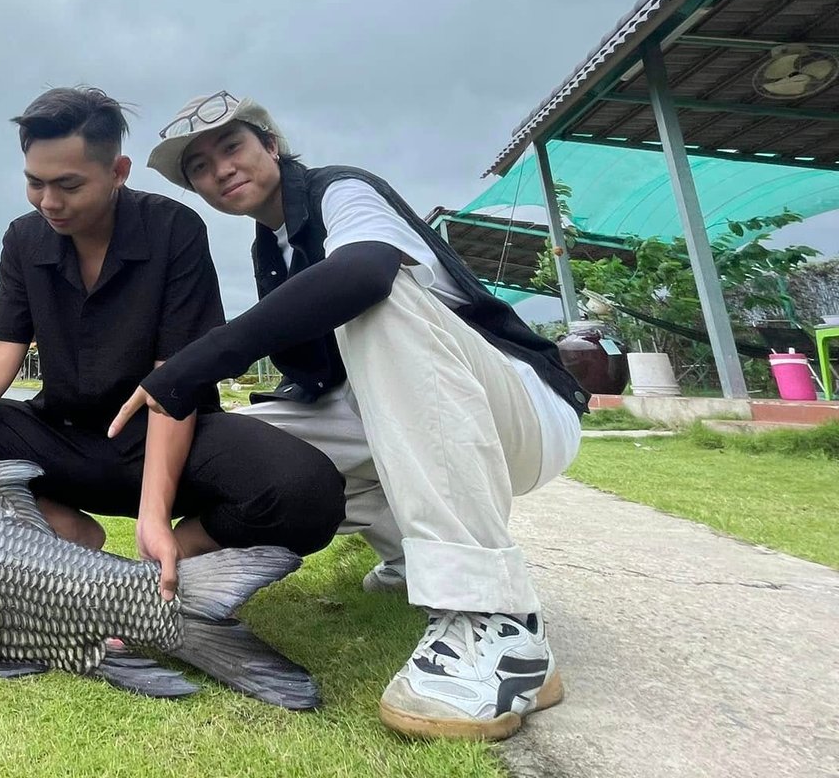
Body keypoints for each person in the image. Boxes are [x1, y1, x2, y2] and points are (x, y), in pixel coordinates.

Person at [127, 90, 587, 741]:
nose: (220, 169)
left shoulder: (340, 191)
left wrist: (194, 363)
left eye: (231, 146)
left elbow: (365, 274)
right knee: (249, 448)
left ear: (272, 145)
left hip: (522, 408)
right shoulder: (270, 249)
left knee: (374, 299)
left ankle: (496, 621)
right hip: (421, 419)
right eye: (199, 167)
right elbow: (319, 388)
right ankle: (407, 556)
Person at [0, 87, 345, 598]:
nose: (49, 202)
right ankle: (64, 538)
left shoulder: (174, 229)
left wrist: (154, 516)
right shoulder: (24, 239)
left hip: (165, 441)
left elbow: (174, 380)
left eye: (69, 185)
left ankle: (178, 557)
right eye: (35, 183)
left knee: (305, 490)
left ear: (118, 172)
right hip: (62, 438)